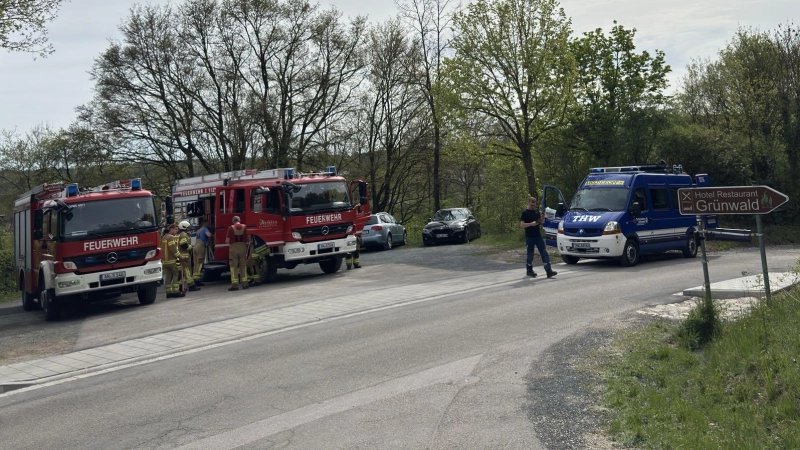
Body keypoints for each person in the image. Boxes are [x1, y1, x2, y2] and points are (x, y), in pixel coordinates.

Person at [520, 195, 557, 278]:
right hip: (530, 236)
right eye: (531, 205)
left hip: (538, 235)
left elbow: (539, 221)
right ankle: (529, 270)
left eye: (534, 205)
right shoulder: (525, 213)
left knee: (544, 252)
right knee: (530, 254)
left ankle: (548, 270)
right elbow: (522, 225)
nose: (533, 207)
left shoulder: (536, 211)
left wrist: (543, 219)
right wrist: (530, 224)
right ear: (528, 203)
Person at [161, 224, 185, 298]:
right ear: (171, 229)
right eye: (175, 229)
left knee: (168, 275)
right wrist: (180, 256)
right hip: (171, 260)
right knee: (176, 274)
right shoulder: (171, 237)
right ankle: (176, 291)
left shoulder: (164, 237)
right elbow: (173, 249)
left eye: (177, 229)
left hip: (165, 261)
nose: (176, 231)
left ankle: (168, 292)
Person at [226, 215, 249, 291]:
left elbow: (227, 241)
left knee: (233, 267)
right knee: (243, 266)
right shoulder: (245, 227)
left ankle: (235, 285)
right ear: (239, 220)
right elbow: (248, 238)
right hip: (243, 247)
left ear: (233, 221)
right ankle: (245, 284)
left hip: (234, 248)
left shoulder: (230, 228)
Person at [178, 220, 201, 292]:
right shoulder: (183, 234)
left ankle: (180, 287)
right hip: (185, 256)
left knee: (181, 273)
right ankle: (191, 286)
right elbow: (183, 244)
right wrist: (190, 247)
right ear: (184, 227)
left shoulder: (180, 234)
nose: (189, 229)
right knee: (187, 271)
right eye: (188, 227)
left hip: (182, 256)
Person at [193, 219, 212, 286]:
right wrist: (212, 234)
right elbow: (208, 235)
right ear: (205, 223)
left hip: (195, 246)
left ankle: (194, 277)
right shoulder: (205, 229)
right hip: (201, 246)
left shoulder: (198, 230)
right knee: (200, 263)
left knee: (195, 263)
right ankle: (197, 280)